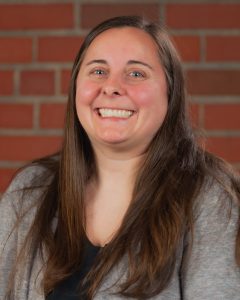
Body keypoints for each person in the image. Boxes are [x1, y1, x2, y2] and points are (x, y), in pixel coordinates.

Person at [0, 15, 240, 300]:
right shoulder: (31, 190)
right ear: (77, 87)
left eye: (136, 73)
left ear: (170, 93)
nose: (112, 87)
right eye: (98, 71)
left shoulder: (211, 196)